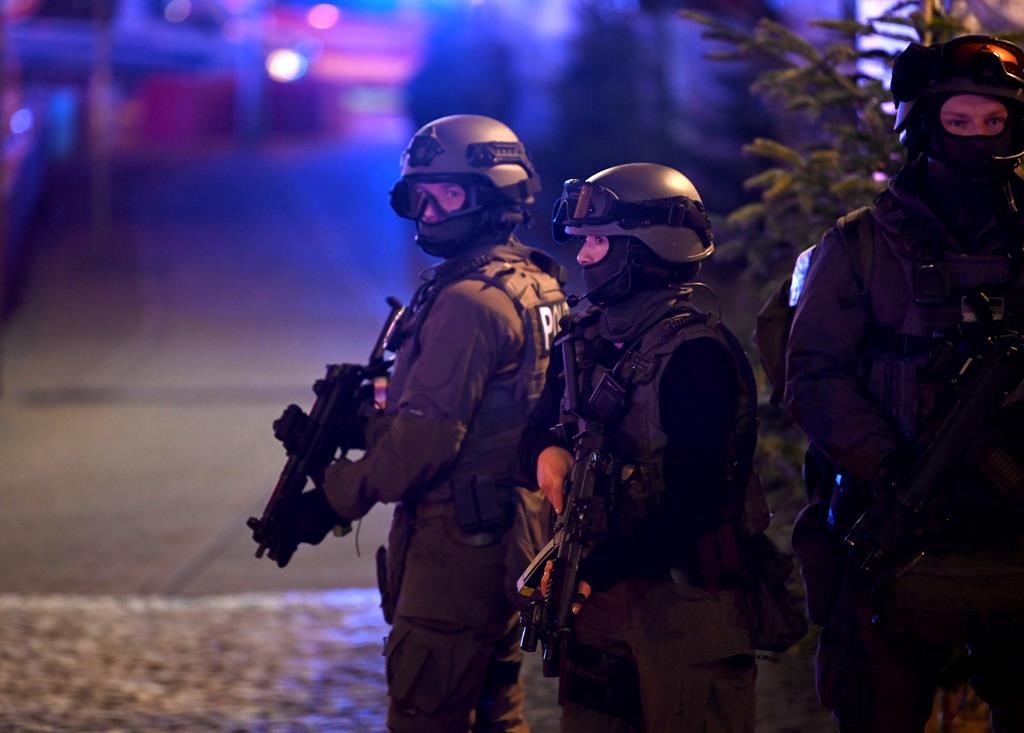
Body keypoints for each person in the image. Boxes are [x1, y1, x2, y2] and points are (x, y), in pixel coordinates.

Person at [274, 114, 568, 732]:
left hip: (457, 548)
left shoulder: (469, 301)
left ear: (495, 196)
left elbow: (425, 444)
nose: (429, 212)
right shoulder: (534, 283)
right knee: (496, 713)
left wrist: (330, 501)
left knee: (425, 716)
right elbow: (487, 407)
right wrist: (356, 426)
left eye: (449, 193)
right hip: (512, 531)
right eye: (419, 195)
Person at [785, 35, 1024, 732]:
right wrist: (890, 467)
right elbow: (814, 372)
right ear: (924, 125)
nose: (978, 137)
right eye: (959, 122)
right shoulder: (861, 245)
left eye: (994, 121)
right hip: (896, 524)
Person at [520, 162, 760, 732]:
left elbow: (695, 502)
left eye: (599, 242)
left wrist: (596, 568)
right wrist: (547, 452)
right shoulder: (584, 338)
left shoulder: (697, 355)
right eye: (582, 243)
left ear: (648, 250)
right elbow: (535, 431)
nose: (581, 258)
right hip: (599, 598)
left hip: (680, 602)